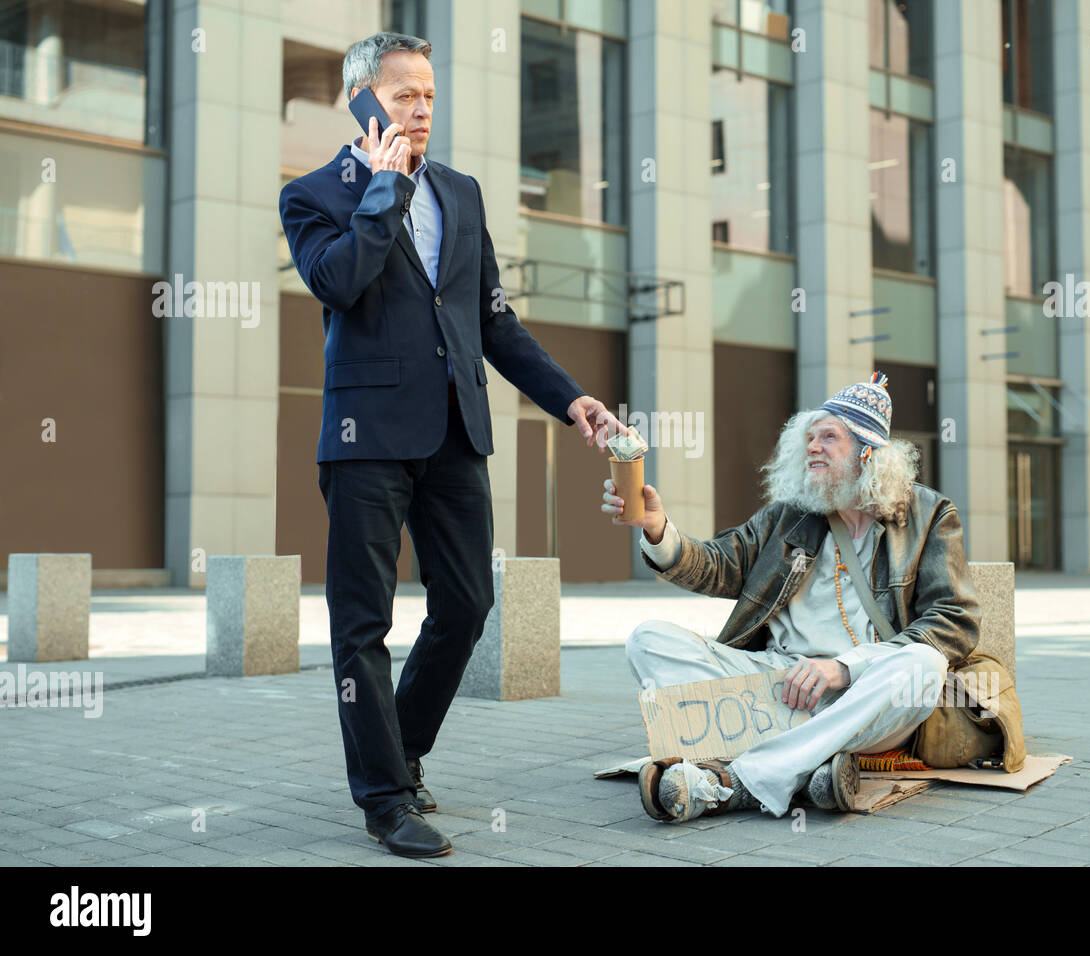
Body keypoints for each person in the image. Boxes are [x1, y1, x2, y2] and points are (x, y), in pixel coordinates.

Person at [280, 32, 625, 857]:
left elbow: (492, 321)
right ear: (361, 100)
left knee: (467, 604)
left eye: (429, 94)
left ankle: (401, 748)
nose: (422, 109)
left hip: (455, 434)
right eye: (404, 96)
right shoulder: (314, 195)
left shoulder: (462, 194)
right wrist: (382, 191)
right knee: (361, 624)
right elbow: (338, 282)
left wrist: (568, 397)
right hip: (364, 442)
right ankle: (385, 799)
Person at [600, 373, 982, 821]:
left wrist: (843, 668)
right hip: (777, 687)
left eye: (828, 437)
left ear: (867, 452)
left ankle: (734, 781)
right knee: (648, 640)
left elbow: (954, 620)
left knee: (922, 665)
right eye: (809, 438)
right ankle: (807, 769)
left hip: (864, 693)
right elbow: (720, 566)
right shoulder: (789, 514)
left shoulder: (930, 514)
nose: (812, 447)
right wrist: (656, 529)